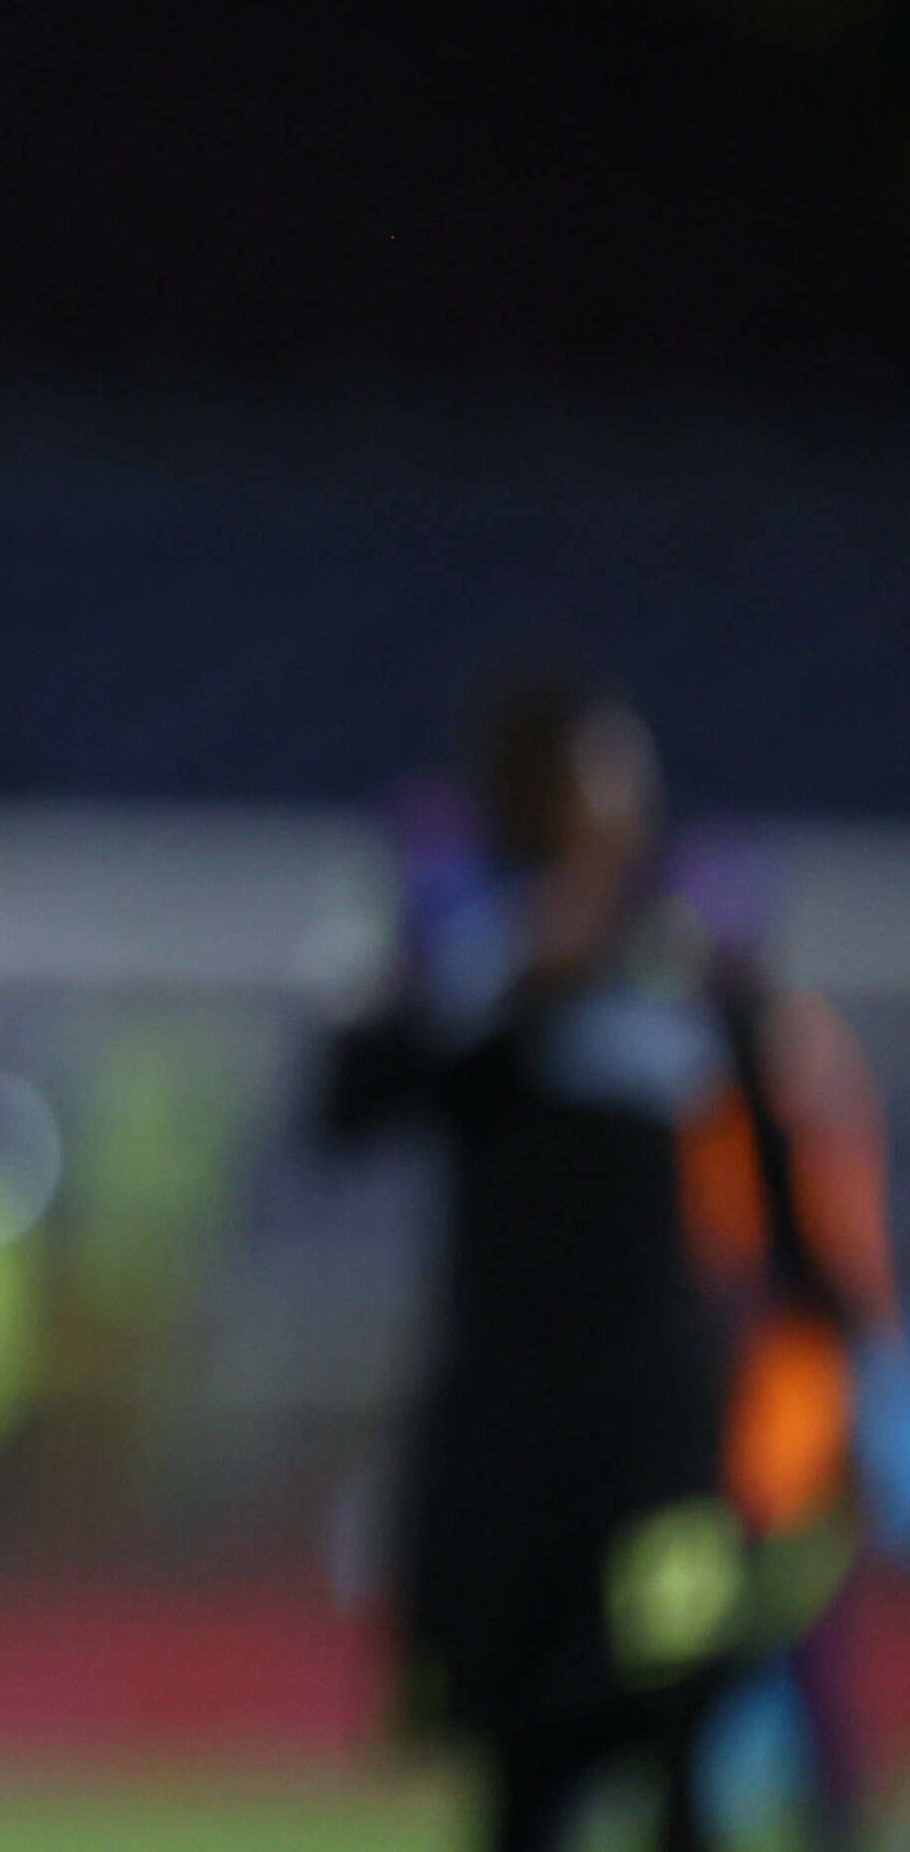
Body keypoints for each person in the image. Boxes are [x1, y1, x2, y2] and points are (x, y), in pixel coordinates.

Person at [324, 675, 909, 1852]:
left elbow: (778, 1149)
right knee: (523, 1742)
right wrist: (495, 983)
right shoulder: (455, 941)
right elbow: (347, 1106)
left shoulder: (681, 941)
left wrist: (839, 1334)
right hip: (508, 1434)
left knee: (678, 1710)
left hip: (659, 1436)